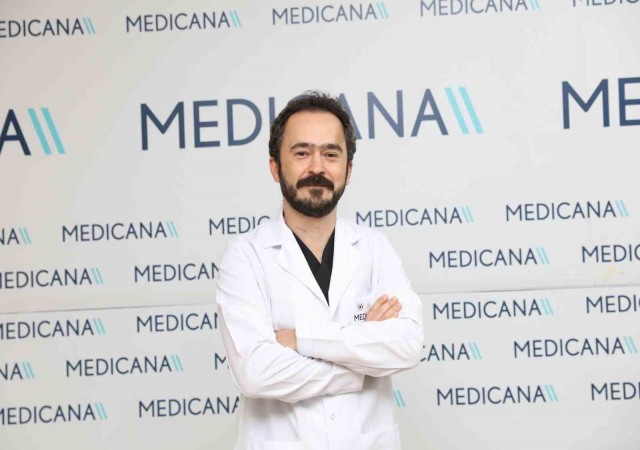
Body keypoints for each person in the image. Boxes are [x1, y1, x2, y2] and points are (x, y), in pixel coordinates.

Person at [216, 91, 424, 450]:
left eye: (331, 154)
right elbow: (256, 372)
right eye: (302, 153)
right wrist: (360, 360)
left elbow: (406, 345)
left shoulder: (375, 248)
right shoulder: (246, 256)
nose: (317, 168)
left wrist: (301, 340)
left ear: (348, 170)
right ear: (275, 167)